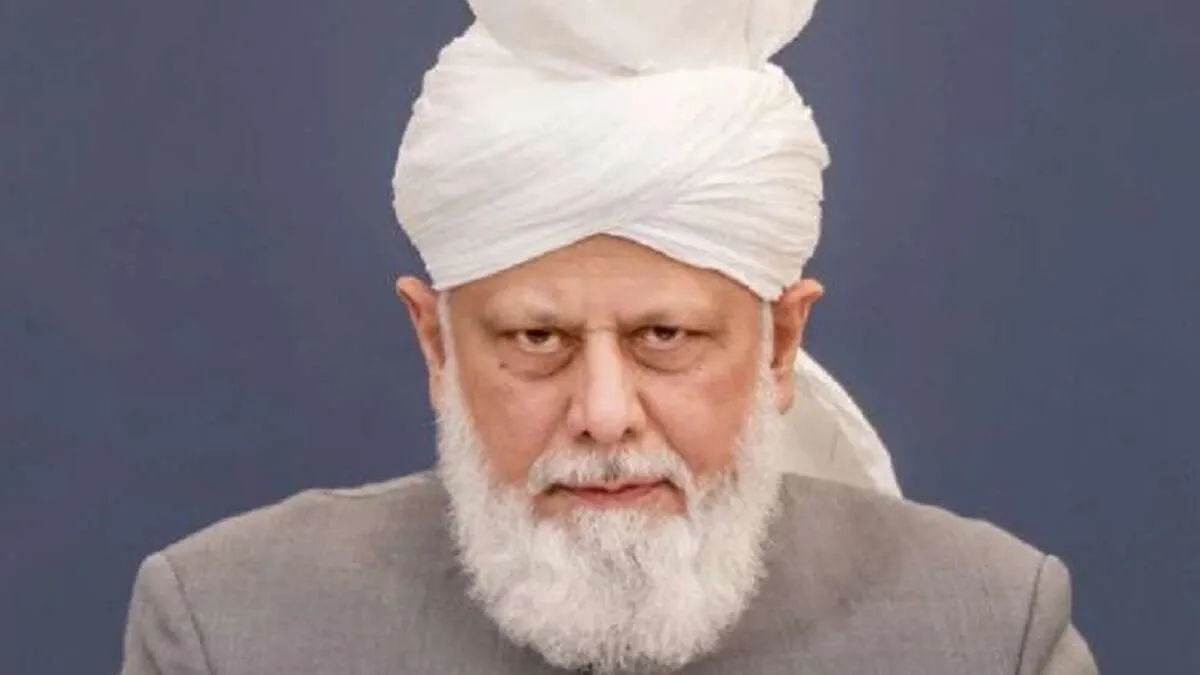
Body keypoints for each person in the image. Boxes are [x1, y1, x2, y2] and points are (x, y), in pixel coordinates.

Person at [118, 0, 1097, 673]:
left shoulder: (986, 631)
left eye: (665, 335)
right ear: (437, 347)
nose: (603, 414)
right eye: (536, 338)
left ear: (778, 345)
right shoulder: (232, 628)